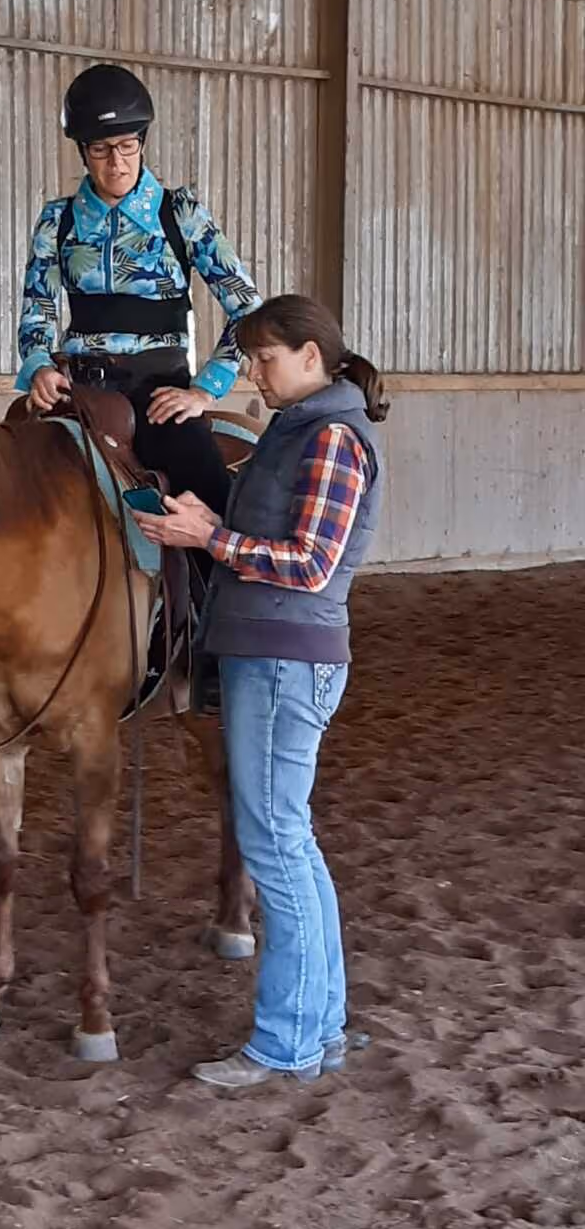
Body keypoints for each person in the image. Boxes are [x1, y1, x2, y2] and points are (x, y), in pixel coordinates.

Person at [134, 294, 388, 1088]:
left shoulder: (333, 439)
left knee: (275, 846)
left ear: (310, 356)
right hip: (272, 652)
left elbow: (310, 563)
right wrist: (212, 517)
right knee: (289, 844)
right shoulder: (303, 431)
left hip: (283, 657)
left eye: (264, 357)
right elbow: (279, 540)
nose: (252, 371)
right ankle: (322, 1025)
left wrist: (207, 537)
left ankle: (286, 1042)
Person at [15, 63, 262, 521]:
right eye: (102, 150)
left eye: (128, 147)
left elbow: (247, 309)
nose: (117, 163)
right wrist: (39, 368)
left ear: (142, 142)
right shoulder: (57, 221)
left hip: (159, 395)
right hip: (79, 388)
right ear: (82, 152)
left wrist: (206, 389)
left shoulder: (181, 214)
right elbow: (39, 308)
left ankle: (216, 588)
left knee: (209, 491)